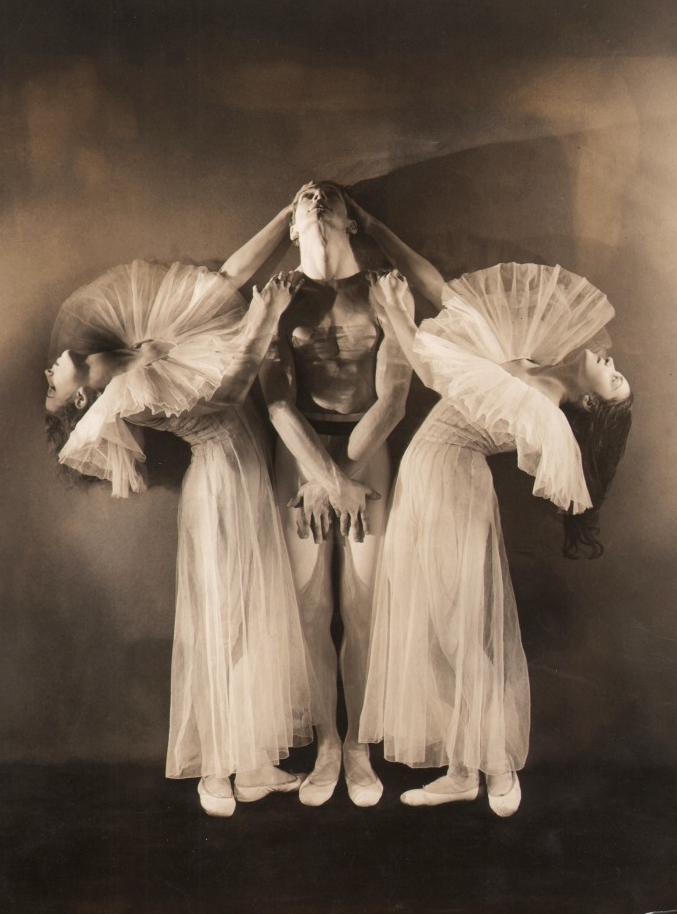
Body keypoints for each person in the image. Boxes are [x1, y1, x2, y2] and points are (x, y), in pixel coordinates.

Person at [353, 204, 632, 816]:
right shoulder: (535, 361)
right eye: (618, 371)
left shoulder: (543, 401)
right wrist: (374, 231)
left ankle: (497, 766)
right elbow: (446, 295)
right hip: (427, 475)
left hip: (450, 480)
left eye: (615, 383)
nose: (614, 367)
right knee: (438, 622)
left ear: (589, 404)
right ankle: (461, 769)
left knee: (460, 629)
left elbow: (431, 370)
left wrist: (396, 316)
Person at [45, 205, 319, 818]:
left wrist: (286, 214)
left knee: (247, 617)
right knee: (223, 620)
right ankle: (215, 774)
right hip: (220, 485)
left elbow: (223, 281)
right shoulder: (125, 390)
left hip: (244, 478)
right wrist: (266, 316)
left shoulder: (144, 342)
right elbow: (228, 392)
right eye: (60, 381)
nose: (56, 369)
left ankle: (251, 765)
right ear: (85, 391)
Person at [259, 182, 413, 807]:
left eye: (326, 197)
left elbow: (395, 396)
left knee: (367, 603)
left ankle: (360, 748)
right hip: (300, 454)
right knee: (308, 607)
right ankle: (327, 741)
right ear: (291, 228)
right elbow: (274, 401)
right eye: (302, 199)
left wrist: (346, 474)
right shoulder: (278, 299)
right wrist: (324, 479)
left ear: (351, 218)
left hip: (365, 449)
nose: (315, 198)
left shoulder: (383, 290)